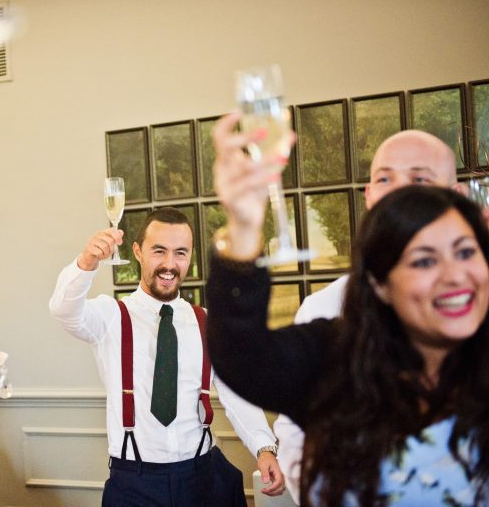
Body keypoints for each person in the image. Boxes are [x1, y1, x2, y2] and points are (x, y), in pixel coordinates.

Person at [206, 112, 489, 505]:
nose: (455, 276)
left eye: (465, 252)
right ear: (380, 283)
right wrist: (242, 229)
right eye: (423, 261)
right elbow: (243, 358)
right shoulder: (340, 357)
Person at [49, 207, 285, 506]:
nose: (169, 264)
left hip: (205, 477)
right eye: (159, 251)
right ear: (138, 251)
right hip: (135, 484)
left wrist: (264, 447)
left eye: (180, 253)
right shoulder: (110, 317)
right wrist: (86, 262)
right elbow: (63, 310)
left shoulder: (208, 323)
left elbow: (238, 393)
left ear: (190, 256)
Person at [274, 129, 458, 503]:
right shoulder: (323, 309)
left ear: (456, 197)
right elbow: (294, 436)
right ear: (369, 195)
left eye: (419, 179)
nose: (398, 193)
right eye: (385, 179)